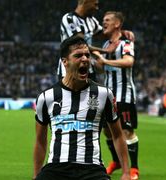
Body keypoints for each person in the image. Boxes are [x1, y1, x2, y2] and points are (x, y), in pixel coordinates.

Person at [33, 36, 130, 180]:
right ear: (65, 62)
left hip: (92, 169)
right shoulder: (46, 97)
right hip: (56, 169)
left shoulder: (104, 94)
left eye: (87, 55)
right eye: (78, 55)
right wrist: (36, 175)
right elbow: (40, 141)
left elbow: (117, 135)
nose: (85, 59)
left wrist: (126, 173)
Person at [92, 11, 139, 180]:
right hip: (108, 94)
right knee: (107, 130)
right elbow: (101, 68)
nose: (103, 23)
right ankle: (116, 161)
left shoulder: (126, 43)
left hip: (124, 94)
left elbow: (129, 61)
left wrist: (105, 61)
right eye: (103, 20)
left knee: (127, 131)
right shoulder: (105, 45)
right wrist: (97, 61)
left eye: (107, 20)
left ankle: (134, 168)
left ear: (117, 24)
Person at [57, 0, 134, 81]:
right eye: (95, 4)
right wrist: (105, 51)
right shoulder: (69, 18)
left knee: (91, 92)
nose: (97, 8)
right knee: (70, 93)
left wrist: (122, 32)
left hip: (87, 68)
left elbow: (104, 34)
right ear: (85, 2)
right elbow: (81, 45)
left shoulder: (91, 20)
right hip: (69, 69)